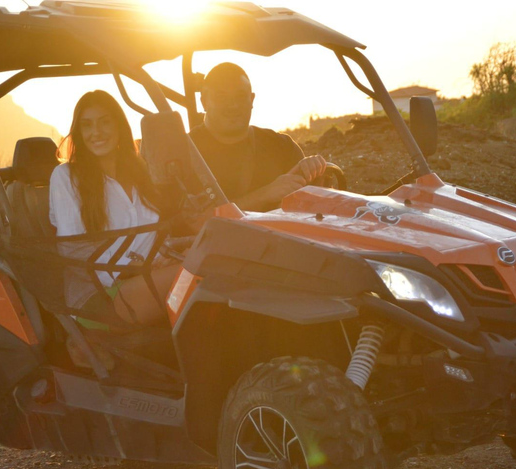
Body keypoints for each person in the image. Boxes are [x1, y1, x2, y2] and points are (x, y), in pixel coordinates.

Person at [49, 90, 178, 328]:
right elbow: (73, 249)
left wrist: (165, 256)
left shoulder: (140, 170)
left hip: (148, 277)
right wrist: (132, 269)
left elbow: (153, 235)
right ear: (79, 133)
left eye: (104, 122)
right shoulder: (66, 176)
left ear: (119, 125)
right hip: (101, 294)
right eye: (87, 125)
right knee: (201, 273)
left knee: (211, 257)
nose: (96, 132)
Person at [190, 62, 327, 212]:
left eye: (240, 96)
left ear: (252, 100)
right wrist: (264, 195)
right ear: (204, 102)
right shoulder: (182, 153)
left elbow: (312, 212)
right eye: (221, 97)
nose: (233, 105)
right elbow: (193, 223)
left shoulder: (282, 147)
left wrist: (315, 171)